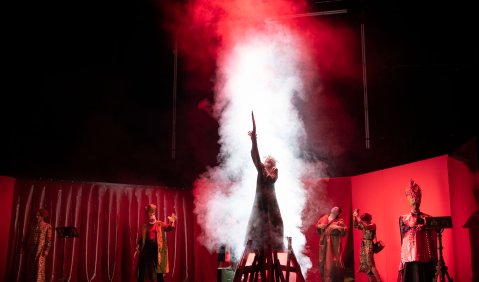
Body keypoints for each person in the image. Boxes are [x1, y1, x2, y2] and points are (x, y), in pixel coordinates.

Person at [244, 111, 285, 251]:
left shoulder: (274, 171)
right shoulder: (261, 168)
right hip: (261, 199)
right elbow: (256, 155)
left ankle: (275, 246)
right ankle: (256, 248)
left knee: (274, 221)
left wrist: (266, 170)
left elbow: (272, 180)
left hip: (270, 201)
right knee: (257, 222)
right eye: (266, 159)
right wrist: (253, 140)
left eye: (269, 160)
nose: (266, 160)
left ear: (272, 163)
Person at [398, 179, 437, 282]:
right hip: (409, 256)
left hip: (424, 256)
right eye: (412, 199)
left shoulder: (426, 218)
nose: (415, 202)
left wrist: (424, 227)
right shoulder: (404, 218)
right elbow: (402, 235)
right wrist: (410, 226)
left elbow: (433, 235)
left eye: (416, 200)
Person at [136, 204, 176, 282]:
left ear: (155, 214)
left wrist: (171, 222)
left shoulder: (159, 224)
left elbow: (168, 228)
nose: (151, 216)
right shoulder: (145, 226)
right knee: (142, 264)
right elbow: (142, 238)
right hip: (147, 247)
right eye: (150, 214)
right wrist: (138, 246)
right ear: (148, 215)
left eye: (153, 214)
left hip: (157, 247)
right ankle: (140, 280)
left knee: (159, 267)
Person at [316, 206, 347, 282]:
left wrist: (337, 227)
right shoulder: (324, 218)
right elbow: (317, 227)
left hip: (334, 242)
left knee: (332, 262)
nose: (334, 208)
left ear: (338, 212)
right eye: (333, 207)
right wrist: (320, 226)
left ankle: (335, 279)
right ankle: (324, 279)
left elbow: (344, 231)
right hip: (323, 241)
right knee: (322, 261)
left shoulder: (339, 221)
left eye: (336, 208)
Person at [23, 208, 53, 282]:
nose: (37, 217)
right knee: (31, 268)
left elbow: (48, 240)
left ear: (43, 216)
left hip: (41, 249)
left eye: (39, 216)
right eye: (36, 215)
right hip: (32, 249)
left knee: (39, 268)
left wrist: (47, 250)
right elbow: (29, 237)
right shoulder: (33, 226)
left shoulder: (47, 226)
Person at [353, 209, 382, 282]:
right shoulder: (364, 224)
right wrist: (354, 217)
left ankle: (379, 280)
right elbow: (356, 225)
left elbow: (366, 226)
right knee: (364, 263)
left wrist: (358, 217)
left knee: (370, 263)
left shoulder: (373, 225)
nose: (364, 221)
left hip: (369, 244)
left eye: (364, 220)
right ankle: (370, 280)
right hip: (363, 244)